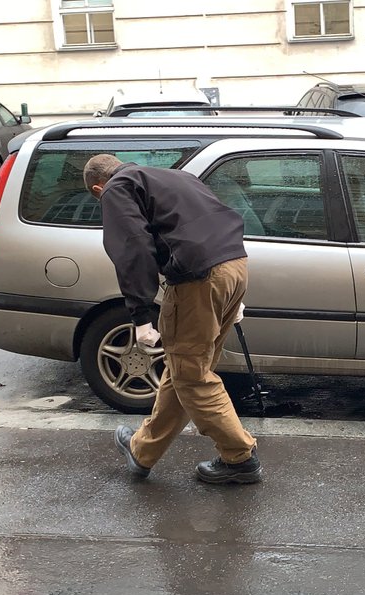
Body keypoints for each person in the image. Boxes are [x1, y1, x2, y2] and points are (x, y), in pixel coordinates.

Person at [83, 153, 261, 485]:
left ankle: (240, 457)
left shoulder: (116, 188)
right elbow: (217, 218)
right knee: (182, 367)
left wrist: (140, 316)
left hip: (198, 279)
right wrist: (233, 292)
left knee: (192, 376)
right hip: (234, 264)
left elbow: (133, 247)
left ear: (98, 187)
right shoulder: (174, 177)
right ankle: (142, 451)